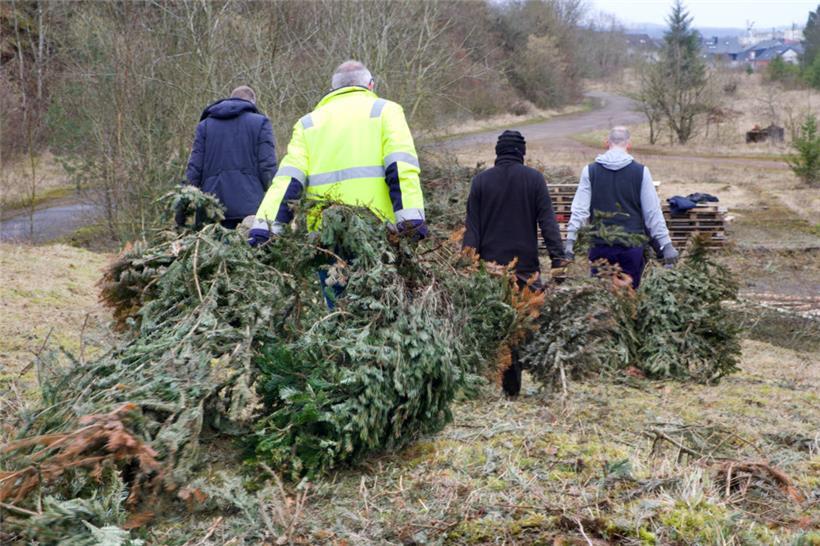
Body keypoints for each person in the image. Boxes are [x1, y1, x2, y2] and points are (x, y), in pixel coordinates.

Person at [249, 61, 427, 303]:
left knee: (338, 315)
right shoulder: (386, 111)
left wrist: (266, 228)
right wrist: (410, 221)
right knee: (384, 312)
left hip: (326, 238)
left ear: (332, 89)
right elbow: (400, 167)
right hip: (379, 234)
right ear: (370, 85)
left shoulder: (308, 123)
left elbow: (288, 181)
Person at [462, 130, 567, 397]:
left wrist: (466, 264)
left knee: (493, 326)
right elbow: (548, 223)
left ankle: (488, 385)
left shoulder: (481, 182)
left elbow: (471, 229)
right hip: (525, 270)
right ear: (522, 153)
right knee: (523, 326)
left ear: (497, 153)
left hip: (491, 270)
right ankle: (513, 388)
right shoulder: (534, 180)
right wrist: (558, 260)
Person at [564, 126, 677, 288]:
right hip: (631, 247)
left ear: (606, 143)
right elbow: (652, 213)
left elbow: (579, 211)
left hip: (600, 246)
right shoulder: (641, 172)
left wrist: (570, 241)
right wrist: (666, 245)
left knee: (601, 296)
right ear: (628, 144)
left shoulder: (590, 171)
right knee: (629, 298)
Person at [185, 85, 277, 229]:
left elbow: (194, 168)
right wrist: (275, 203)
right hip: (249, 207)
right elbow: (267, 166)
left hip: (212, 207)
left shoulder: (205, 126)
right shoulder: (260, 123)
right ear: (252, 102)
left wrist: (182, 209)